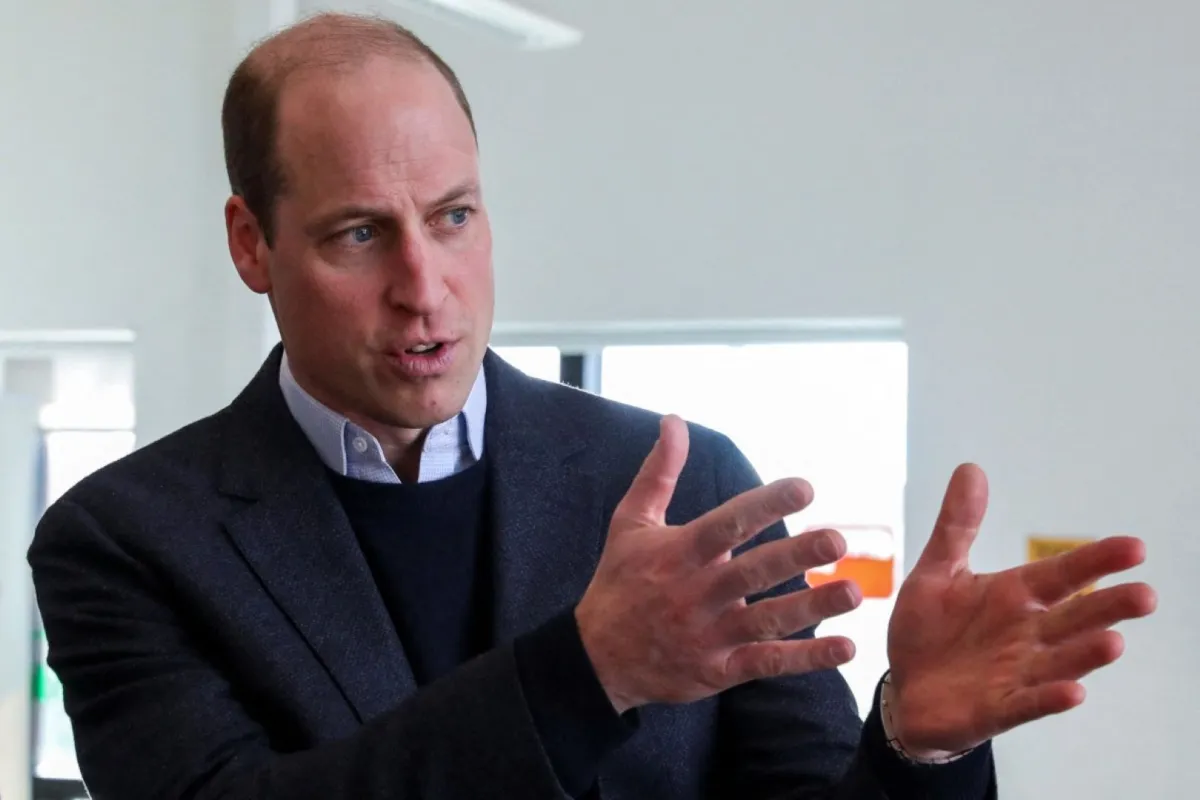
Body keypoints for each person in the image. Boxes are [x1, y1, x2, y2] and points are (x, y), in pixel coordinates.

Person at [28, 12, 1157, 800]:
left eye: (455, 216)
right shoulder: (125, 541)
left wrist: (918, 747)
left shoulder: (690, 483)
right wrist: (586, 671)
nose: (426, 286)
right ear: (251, 245)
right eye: (360, 233)